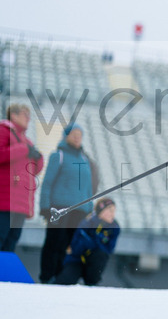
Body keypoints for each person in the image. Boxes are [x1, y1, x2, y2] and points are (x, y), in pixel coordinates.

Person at [38, 123, 97, 283]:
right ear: (66, 136)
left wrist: (89, 209)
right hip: (59, 208)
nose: (77, 138)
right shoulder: (59, 156)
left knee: (71, 245)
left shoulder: (85, 159)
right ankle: (47, 276)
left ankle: (62, 278)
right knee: (54, 242)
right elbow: (47, 183)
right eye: (74, 134)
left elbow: (88, 188)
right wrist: (45, 207)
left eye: (80, 135)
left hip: (80, 210)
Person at [1, 104, 44, 253]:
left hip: (20, 202)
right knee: (2, 237)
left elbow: (33, 171)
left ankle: (5, 268)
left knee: (11, 241)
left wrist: (38, 159)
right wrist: (24, 149)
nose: (28, 118)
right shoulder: (3, 131)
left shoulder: (27, 141)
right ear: (13, 115)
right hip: (4, 200)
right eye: (25, 114)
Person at [54, 197, 120, 286]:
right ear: (101, 210)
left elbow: (108, 249)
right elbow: (76, 247)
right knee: (64, 282)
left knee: (99, 256)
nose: (113, 214)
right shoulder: (87, 222)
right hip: (77, 260)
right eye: (110, 210)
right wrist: (98, 241)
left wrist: (93, 240)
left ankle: (92, 283)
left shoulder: (114, 228)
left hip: (94, 263)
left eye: (114, 211)